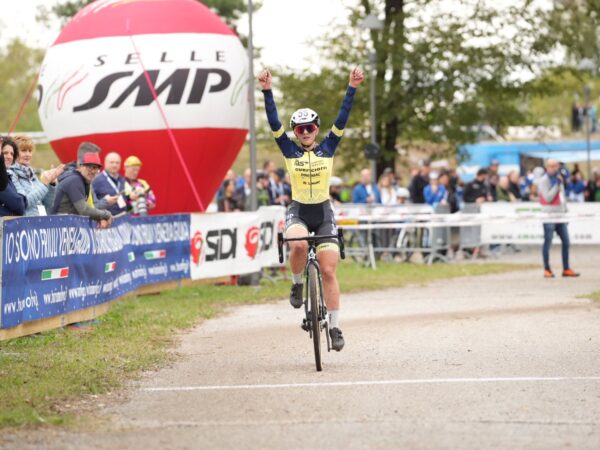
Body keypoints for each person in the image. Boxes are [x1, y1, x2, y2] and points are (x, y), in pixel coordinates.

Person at [258, 66, 364, 351]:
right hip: (299, 210)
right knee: (299, 244)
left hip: (324, 212)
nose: (305, 133)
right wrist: (267, 91)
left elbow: (343, 115)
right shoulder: (289, 150)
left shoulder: (328, 148)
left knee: (328, 271)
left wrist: (352, 87)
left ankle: (335, 326)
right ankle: (297, 283)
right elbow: (273, 120)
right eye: (300, 129)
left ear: (317, 129)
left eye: (310, 128)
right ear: (295, 132)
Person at [50, 142, 113, 228]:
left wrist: (99, 216)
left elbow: (88, 208)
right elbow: (84, 210)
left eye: (96, 167)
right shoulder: (74, 179)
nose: (93, 171)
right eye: (90, 166)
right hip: (58, 227)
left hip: (65, 227)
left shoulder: (82, 178)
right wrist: (106, 214)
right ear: (80, 164)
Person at [538, 159, 579, 278]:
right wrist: (557, 185)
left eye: (556, 166)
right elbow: (548, 198)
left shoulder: (559, 179)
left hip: (561, 216)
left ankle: (566, 268)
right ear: (547, 167)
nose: (554, 168)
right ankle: (547, 269)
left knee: (566, 242)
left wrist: (565, 212)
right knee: (548, 242)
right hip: (549, 216)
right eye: (551, 166)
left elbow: (562, 197)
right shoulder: (544, 180)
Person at [9, 135, 63, 216]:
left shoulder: (32, 175)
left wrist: (51, 184)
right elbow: (24, 203)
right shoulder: (11, 174)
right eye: (23, 150)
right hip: (25, 222)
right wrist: (44, 184)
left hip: (39, 220)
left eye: (30, 151)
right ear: (14, 153)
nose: (28, 154)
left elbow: (48, 203)